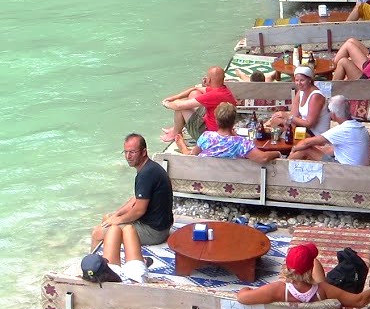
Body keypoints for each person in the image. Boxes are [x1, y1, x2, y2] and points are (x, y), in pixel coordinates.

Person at [90, 133, 174, 274]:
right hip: (160, 225)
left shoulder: (146, 174)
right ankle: (114, 256)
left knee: (97, 233)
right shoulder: (149, 168)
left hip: (155, 231)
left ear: (143, 152)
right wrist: (116, 215)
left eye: (133, 152)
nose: (128, 156)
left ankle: (93, 268)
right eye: (126, 152)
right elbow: (135, 200)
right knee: (107, 218)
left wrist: (117, 220)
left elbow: (138, 211)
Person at [235, 243, 370, 308]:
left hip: (293, 306)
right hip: (316, 295)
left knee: (314, 266)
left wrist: (245, 289)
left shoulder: (277, 290)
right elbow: (359, 301)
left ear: (287, 268)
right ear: (310, 268)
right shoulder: (325, 290)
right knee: (319, 269)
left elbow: (242, 297)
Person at [176, 103, 281, 163]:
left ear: (217, 120)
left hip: (208, 178)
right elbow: (263, 158)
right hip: (233, 181)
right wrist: (278, 153)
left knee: (190, 153)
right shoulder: (241, 143)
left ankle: (182, 146)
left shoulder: (206, 137)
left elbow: (192, 156)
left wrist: (183, 147)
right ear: (234, 121)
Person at [157, 66, 237, 144]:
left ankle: (176, 133)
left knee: (182, 107)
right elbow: (195, 89)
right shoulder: (222, 89)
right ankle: (175, 129)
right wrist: (172, 98)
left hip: (209, 134)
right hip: (216, 124)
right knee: (194, 94)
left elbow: (179, 106)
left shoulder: (214, 94)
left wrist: (166, 103)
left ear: (209, 79)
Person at [290, 95, 370, 166]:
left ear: (333, 114)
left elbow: (306, 142)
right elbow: (333, 149)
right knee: (316, 148)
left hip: (346, 171)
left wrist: (293, 150)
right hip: (360, 170)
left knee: (305, 149)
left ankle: (282, 165)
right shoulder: (360, 127)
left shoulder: (342, 130)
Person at [264, 66, 328, 137]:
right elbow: (293, 116)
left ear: (310, 80)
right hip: (304, 128)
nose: (299, 83)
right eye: (297, 80)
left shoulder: (315, 96)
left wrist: (286, 117)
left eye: (302, 80)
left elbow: (309, 124)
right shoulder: (301, 92)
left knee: (279, 125)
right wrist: (285, 121)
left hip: (315, 134)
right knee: (276, 121)